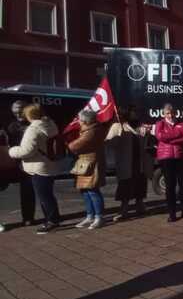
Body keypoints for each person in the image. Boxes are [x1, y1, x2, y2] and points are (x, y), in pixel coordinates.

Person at [8, 104, 61, 234]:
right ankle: (52, 218)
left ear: (29, 115)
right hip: (49, 163)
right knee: (48, 194)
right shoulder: (50, 124)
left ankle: (52, 221)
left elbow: (26, 151)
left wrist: (11, 151)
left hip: (38, 166)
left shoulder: (33, 128)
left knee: (44, 196)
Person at [106, 106, 150, 221]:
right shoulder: (118, 126)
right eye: (133, 113)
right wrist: (118, 137)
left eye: (136, 113)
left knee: (140, 185)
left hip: (139, 162)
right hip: (126, 163)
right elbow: (109, 143)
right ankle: (123, 210)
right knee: (125, 186)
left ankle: (140, 207)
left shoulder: (140, 127)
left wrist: (147, 133)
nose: (135, 115)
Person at [68, 110, 108, 229]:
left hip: (91, 164)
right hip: (85, 164)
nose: (78, 121)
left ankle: (99, 217)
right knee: (85, 190)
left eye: (79, 119)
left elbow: (75, 145)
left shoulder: (92, 131)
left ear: (85, 120)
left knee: (92, 190)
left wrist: (67, 144)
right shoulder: (90, 129)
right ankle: (90, 216)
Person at [154, 104, 183, 222]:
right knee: (170, 186)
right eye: (167, 113)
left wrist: (170, 139)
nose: (170, 116)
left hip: (181, 156)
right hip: (166, 157)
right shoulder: (160, 124)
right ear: (164, 114)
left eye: (172, 113)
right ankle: (172, 213)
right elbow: (160, 136)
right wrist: (177, 134)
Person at [7, 100, 36, 227]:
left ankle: (32, 217)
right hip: (18, 162)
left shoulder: (33, 124)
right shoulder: (12, 126)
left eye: (20, 112)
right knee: (26, 191)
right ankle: (28, 217)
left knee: (34, 190)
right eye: (15, 113)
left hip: (32, 161)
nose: (18, 115)